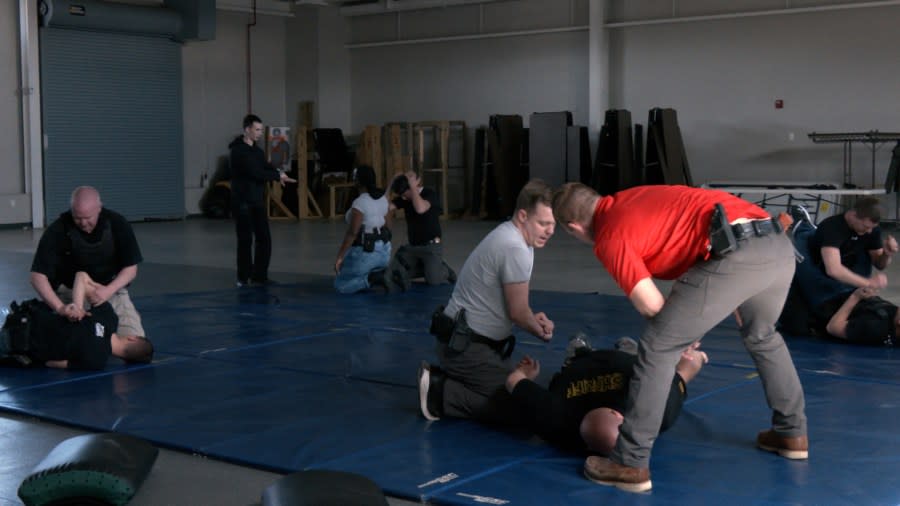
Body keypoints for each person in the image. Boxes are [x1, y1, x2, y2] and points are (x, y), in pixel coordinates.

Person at [552, 182, 807, 493]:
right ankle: (792, 433)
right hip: (777, 244)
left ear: (573, 227)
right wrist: (685, 324)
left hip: (737, 254)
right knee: (762, 336)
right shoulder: (636, 197)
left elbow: (650, 304)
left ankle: (630, 463)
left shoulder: (610, 235)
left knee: (658, 347)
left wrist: (680, 335)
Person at [418, 179, 556, 426]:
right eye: (543, 223)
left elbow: (513, 306)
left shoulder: (513, 235)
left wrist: (531, 318)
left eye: (552, 225)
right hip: (465, 348)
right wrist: (539, 330)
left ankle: (461, 381)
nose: (550, 231)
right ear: (523, 216)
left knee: (521, 388)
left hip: (464, 341)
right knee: (522, 408)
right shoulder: (514, 247)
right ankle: (441, 393)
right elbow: (517, 312)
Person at [506, 338, 708, 455]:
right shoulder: (657, 413)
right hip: (609, 365)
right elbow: (513, 381)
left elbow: (513, 382)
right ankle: (588, 351)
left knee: (656, 364)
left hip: (588, 367)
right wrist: (690, 357)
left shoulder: (556, 420)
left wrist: (525, 375)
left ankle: (585, 352)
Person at [30, 186, 147, 340]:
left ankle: (125, 317)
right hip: (69, 293)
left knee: (135, 344)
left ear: (99, 208)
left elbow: (131, 269)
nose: (83, 223)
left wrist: (108, 290)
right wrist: (60, 308)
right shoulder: (58, 229)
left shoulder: (117, 223)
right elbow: (37, 276)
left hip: (109, 290)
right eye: (78, 218)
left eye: (88, 218)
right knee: (76, 342)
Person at [2, 271, 154, 370]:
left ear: (132, 338)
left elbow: (81, 276)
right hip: (19, 344)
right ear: (125, 360)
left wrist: (78, 307)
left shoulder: (109, 318)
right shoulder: (96, 362)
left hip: (25, 321)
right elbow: (54, 363)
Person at [229, 114, 296, 287]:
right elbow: (255, 172)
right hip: (242, 202)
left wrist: (280, 174)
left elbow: (265, 167)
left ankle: (260, 275)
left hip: (257, 201)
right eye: (257, 130)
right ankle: (243, 277)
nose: (259, 133)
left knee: (264, 238)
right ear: (247, 129)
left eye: (261, 130)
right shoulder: (237, 151)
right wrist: (275, 175)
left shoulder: (257, 151)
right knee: (245, 240)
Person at [384, 171, 456, 292]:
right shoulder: (405, 198)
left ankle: (443, 270)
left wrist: (412, 188)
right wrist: (390, 185)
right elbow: (384, 206)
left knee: (434, 281)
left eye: (404, 194)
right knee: (395, 274)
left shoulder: (429, 193)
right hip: (413, 248)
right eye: (401, 194)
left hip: (431, 247)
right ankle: (428, 266)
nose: (403, 197)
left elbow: (420, 209)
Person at [333, 165, 393, 294]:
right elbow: (388, 227)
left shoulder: (360, 203)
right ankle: (382, 272)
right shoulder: (383, 199)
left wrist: (340, 257)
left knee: (341, 286)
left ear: (357, 181)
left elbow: (352, 233)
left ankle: (372, 279)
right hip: (384, 252)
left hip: (367, 252)